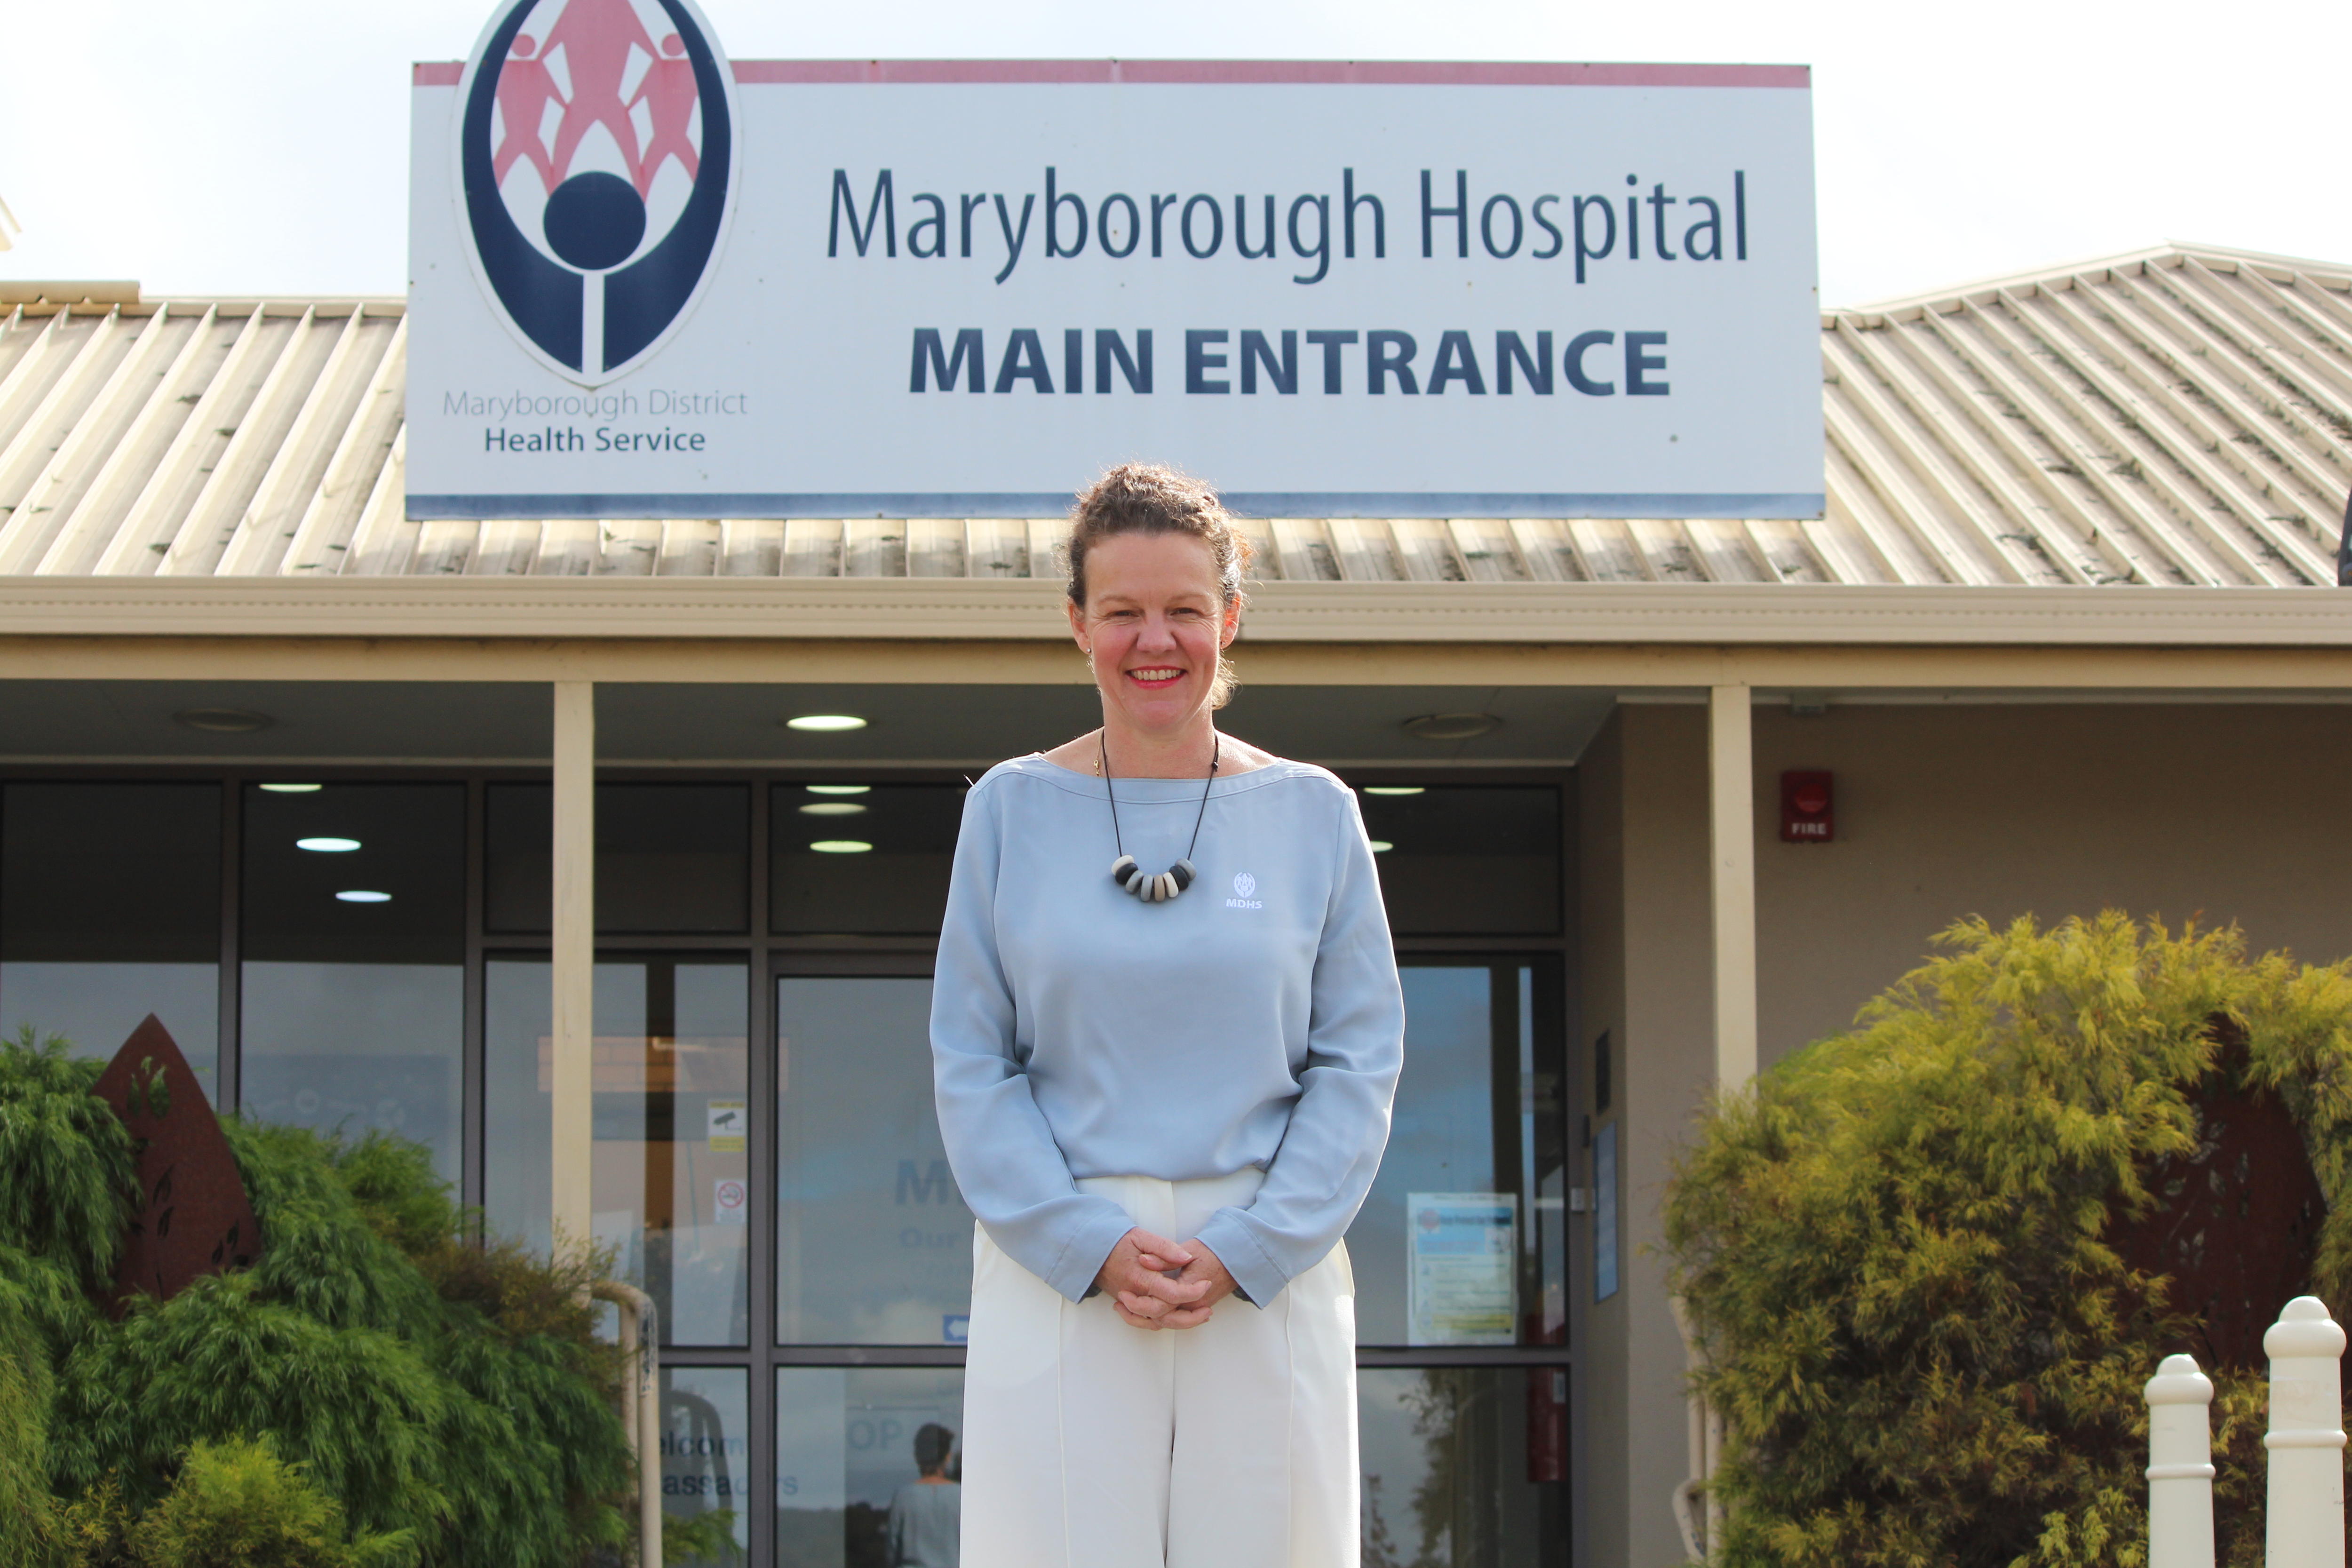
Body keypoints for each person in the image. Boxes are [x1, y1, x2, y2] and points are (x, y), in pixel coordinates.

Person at [930, 463, 1405, 1568]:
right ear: (1076, 625)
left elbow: (1359, 1060)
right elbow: (970, 1058)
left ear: (1229, 619)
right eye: (1124, 612)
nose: (1157, 640)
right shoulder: (1007, 810)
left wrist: (1255, 1244)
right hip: (1062, 1269)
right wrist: (1081, 1241)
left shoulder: (1314, 816)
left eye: (1185, 610)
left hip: (1262, 1273)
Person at [887, 1423, 961, 1568]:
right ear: (947, 1457)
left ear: (917, 1456)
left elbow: (892, 1551)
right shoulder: (961, 1496)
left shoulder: (904, 1497)